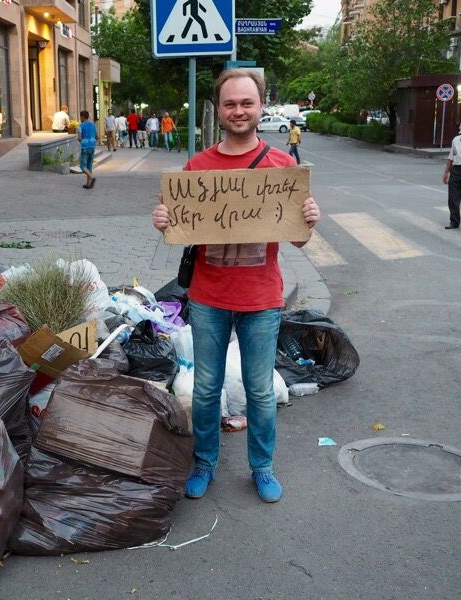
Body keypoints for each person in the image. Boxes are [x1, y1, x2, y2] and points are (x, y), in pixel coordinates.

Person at [151, 68, 320, 503]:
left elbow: (299, 238)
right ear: (219, 109)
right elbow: (181, 228)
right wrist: (164, 222)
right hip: (208, 297)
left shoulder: (283, 167)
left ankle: (261, 466)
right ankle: (205, 461)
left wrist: (310, 220)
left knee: (260, 389)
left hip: (261, 298)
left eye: (247, 102)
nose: (239, 110)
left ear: (261, 105)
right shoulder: (199, 167)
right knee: (206, 388)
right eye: (231, 103)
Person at [78, 110, 97, 189]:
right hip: (92, 147)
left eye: (80, 117)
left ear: (82, 117)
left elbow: (79, 138)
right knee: (89, 165)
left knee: (83, 166)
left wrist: (81, 140)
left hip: (85, 147)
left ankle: (91, 178)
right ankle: (88, 183)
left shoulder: (81, 126)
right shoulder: (93, 125)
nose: (80, 119)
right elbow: (97, 136)